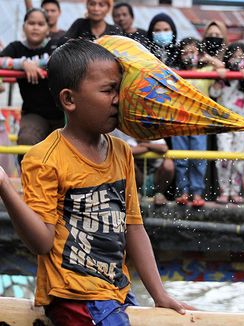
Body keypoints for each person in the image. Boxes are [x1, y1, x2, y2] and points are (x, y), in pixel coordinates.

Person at [0, 38, 192, 324]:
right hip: (75, 297)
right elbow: (42, 242)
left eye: (119, 88)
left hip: (115, 291)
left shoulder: (121, 151)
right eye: (108, 90)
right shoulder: (44, 158)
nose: (118, 99)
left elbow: (133, 227)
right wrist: (4, 185)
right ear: (69, 99)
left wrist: (159, 294)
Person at [0, 8, 64, 163]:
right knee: (27, 139)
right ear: (24, 27)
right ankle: (30, 184)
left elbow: (64, 59)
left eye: (41, 24)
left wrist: (36, 64)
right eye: (31, 23)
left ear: (48, 29)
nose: (35, 27)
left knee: (66, 151)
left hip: (63, 113)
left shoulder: (55, 45)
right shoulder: (16, 48)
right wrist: (23, 63)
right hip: (34, 113)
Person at [210, 42, 244, 205]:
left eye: (240, 57)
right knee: (224, 155)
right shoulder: (223, 76)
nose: (237, 61)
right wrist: (219, 76)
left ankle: (235, 191)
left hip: (242, 125)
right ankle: (224, 190)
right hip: (224, 123)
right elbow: (214, 92)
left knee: (238, 156)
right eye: (233, 57)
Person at [172, 37, 214, 208]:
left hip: (199, 121)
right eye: (185, 52)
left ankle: (197, 192)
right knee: (181, 158)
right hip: (179, 121)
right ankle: (183, 191)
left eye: (193, 52)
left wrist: (207, 58)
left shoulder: (206, 71)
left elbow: (221, 67)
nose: (189, 56)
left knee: (198, 157)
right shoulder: (175, 72)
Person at [111, 129, 173, 206]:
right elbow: (130, 151)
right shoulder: (131, 140)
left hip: (156, 177)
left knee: (169, 163)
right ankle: (136, 193)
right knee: (128, 163)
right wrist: (152, 148)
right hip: (138, 179)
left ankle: (159, 194)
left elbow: (164, 149)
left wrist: (145, 146)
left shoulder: (156, 138)